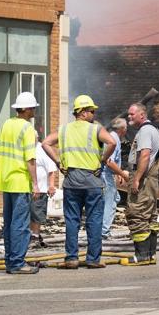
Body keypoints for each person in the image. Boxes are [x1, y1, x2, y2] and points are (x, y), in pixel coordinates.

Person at [42, 94, 116, 269]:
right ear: (82, 112)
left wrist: (58, 162)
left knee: (72, 221)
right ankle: (93, 259)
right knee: (94, 220)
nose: (93, 114)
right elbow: (112, 142)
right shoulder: (95, 129)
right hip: (92, 181)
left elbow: (45, 143)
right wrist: (102, 160)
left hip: (72, 181)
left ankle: (71, 258)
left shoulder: (64, 130)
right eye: (91, 111)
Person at [0, 91, 41, 274]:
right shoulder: (27, 128)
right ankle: (17, 263)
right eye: (33, 108)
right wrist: (35, 183)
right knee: (20, 224)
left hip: (6, 181)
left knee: (9, 224)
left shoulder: (6, 124)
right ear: (27, 109)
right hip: (20, 181)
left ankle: (10, 260)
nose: (35, 111)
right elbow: (30, 159)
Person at [124, 102, 159, 265]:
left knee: (137, 213)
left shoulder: (145, 131)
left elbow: (145, 155)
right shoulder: (153, 129)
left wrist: (137, 179)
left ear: (142, 115)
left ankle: (142, 255)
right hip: (151, 177)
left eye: (132, 114)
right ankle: (151, 255)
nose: (129, 117)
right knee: (150, 214)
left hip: (144, 177)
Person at [101, 117, 129, 239]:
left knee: (116, 198)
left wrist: (117, 174)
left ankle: (102, 229)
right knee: (110, 202)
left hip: (107, 174)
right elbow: (109, 162)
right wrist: (123, 174)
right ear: (122, 129)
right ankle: (104, 232)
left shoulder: (112, 137)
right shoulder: (113, 140)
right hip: (106, 175)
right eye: (126, 128)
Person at [30, 141, 58, 250]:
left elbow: (51, 170)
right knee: (30, 213)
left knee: (37, 214)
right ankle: (33, 234)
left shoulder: (42, 150)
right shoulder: (27, 148)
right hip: (27, 188)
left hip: (40, 189)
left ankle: (35, 236)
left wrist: (51, 186)